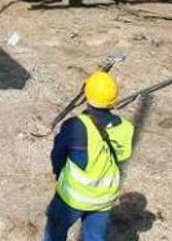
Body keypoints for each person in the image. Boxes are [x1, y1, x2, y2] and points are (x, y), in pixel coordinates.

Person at [42, 71, 135, 241]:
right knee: (95, 237)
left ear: (87, 95)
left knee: (54, 232)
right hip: (104, 199)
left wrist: (58, 173)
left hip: (73, 197)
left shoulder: (76, 126)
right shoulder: (127, 128)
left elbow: (57, 155)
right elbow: (121, 156)